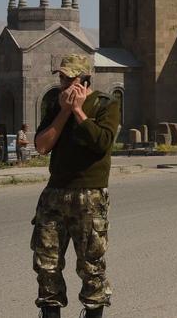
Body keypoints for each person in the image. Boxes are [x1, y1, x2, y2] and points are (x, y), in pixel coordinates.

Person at [31, 54, 120, 318]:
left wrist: (79, 111)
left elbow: (102, 142)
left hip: (89, 195)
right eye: (61, 78)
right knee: (46, 265)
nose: (64, 83)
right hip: (54, 194)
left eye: (69, 78)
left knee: (91, 266)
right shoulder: (56, 106)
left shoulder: (105, 104)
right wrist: (65, 111)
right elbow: (41, 145)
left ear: (83, 79)